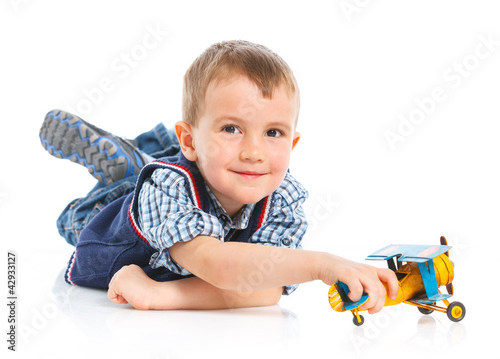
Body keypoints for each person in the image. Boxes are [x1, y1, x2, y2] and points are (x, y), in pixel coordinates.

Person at [40, 40, 398, 311]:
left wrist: (162, 294)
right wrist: (321, 264)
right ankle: (134, 169)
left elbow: (265, 289)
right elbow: (217, 265)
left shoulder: (283, 198)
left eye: (273, 133)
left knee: (171, 172)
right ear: (191, 140)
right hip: (111, 234)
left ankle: (144, 155)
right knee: (79, 218)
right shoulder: (169, 188)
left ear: (294, 142)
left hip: (189, 176)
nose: (254, 152)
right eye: (231, 128)